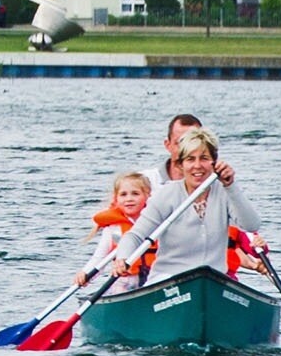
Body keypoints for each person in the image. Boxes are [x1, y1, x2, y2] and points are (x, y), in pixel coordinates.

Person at [113, 130, 263, 283]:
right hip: (168, 279)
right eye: (190, 159)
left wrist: (230, 186)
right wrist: (122, 257)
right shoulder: (165, 195)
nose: (197, 166)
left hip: (213, 280)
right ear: (181, 165)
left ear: (214, 162)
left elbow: (251, 225)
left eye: (204, 158)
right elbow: (135, 235)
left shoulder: (225, 192)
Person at [147, 112, 234, 190]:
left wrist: (230, 186)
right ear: (168, 145)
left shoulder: (220, 185)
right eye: (180, 143)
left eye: (193, 142)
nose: (187, 150)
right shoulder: (147, 181)